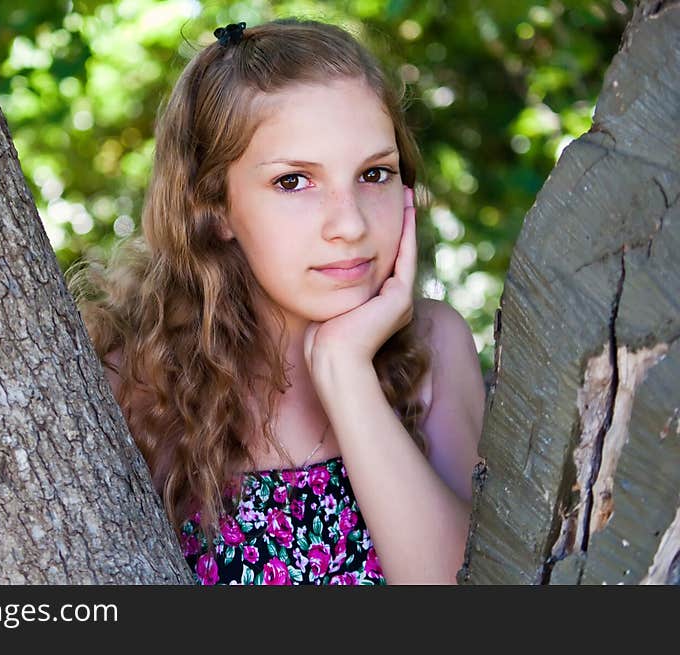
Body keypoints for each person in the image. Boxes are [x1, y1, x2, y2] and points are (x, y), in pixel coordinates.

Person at [71, 18, 485, 585]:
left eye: (374, 173)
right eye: (294, 181)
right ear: (212, 207)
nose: (350, 223)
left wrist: (344, 371)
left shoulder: (434, 347)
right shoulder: (131, 380)